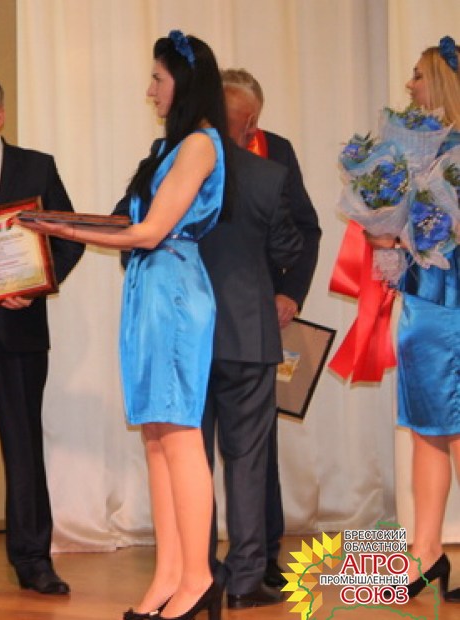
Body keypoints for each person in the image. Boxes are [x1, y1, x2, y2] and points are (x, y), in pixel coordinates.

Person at [20, 31, 229, 620]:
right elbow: (125, 222)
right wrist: (55, 220)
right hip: (151, 289)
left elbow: (149, 231)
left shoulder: (200, 145)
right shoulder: (171, 148)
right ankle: (169, 575)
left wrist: (61, 230)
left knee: (180, 435)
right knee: (157, 437)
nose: (150, 90)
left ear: (183, 82)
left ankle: (198, 577)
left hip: (174, 290)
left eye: (158, 79)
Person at [0, 71, 85, 595]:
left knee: (24, 450)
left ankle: (33, 562)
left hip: (19, 331)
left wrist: (36, 285)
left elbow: (69, 237)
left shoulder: (36, 166)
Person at [198, 81, 304, 610]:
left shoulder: (173, 168)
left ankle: (196, 573)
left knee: (191, 460)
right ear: (247, 125)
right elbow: (289, 248)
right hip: (247, 333)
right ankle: (244, 581)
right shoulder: (266, 175)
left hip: (190, 334)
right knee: (247, 462)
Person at [361, 36, 460, 602]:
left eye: (418, 75)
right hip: (423, 304)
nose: (409, 85)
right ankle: (426, 550)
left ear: (442, 83)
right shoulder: (419, 153)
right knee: (427, 429)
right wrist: (387, 231)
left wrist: (423, 227)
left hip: (453, 307)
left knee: (455, 427)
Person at [219, 69, 322, 589]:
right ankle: (203, 561)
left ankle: (262, 557)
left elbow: (306, 228)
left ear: (253, 118)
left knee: (258, 445)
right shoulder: (187, 151)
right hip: (204, 315)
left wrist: (290, 292)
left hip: (261, 313)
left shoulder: (276, 150)